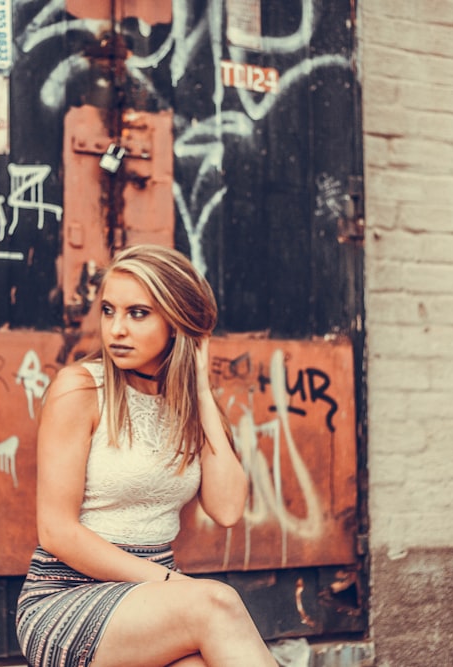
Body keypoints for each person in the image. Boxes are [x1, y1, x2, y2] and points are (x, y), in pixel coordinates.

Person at [16, 244, 277, 667]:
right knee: (216, 602)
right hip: (66, 598)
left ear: (177, 322)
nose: (116, 329)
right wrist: (176, 585)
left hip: (152, 601)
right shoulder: (80, 389)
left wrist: (201, 389)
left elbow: (228, 509)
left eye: (137, 313)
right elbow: (57, 532)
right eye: (108, 311)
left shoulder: (186, 403)